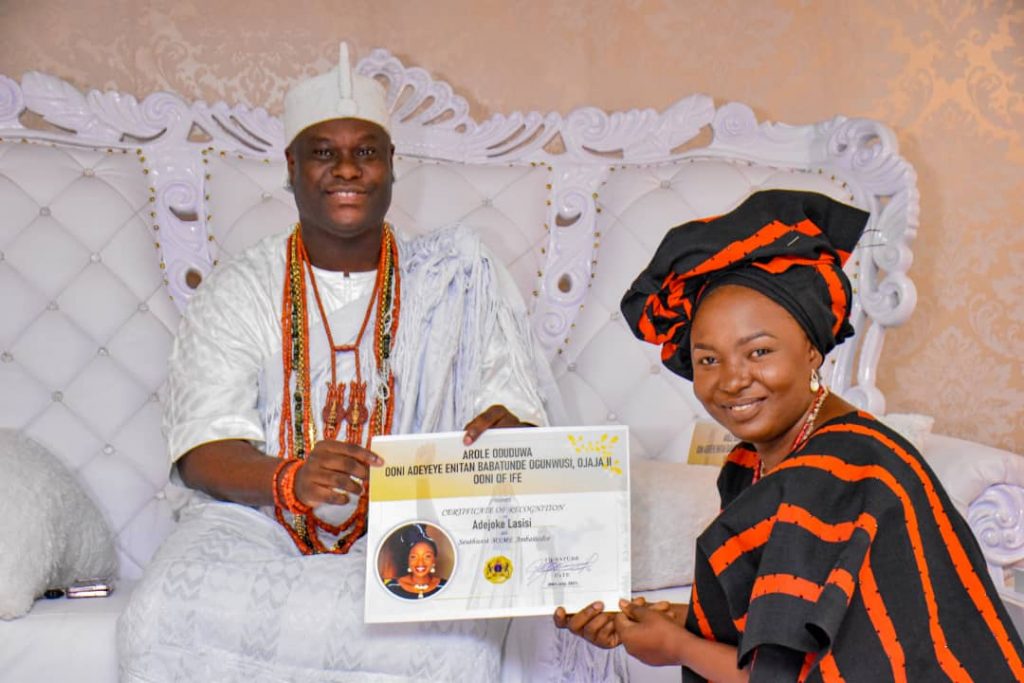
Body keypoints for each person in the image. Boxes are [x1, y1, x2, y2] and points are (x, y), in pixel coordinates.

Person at [117, 43, 554, 682]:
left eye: (366, 152)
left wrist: (506, 431)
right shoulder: (242, 287)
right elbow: (201, 448)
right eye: (324, 152)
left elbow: (511, 412)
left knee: (454, 635)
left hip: (415, 525)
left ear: (391, 166)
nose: (347, 169)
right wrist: (289, 479)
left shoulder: (457, 279)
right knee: (164, 609)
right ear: (291, 166)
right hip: (257, 523)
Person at [555, 189, 1024, 681]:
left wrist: (678, 647)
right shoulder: (755, 463)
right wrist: (675, 620)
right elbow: (796, 619)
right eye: (708, 359)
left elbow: (794, 676)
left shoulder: (835, 473)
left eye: (758, 352)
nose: (732, 380)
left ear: (812, 350)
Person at [383, 524, 448, 600]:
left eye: (427, 556)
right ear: (408, 560)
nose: (420, 563)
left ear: (434, 559)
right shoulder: (392, 587)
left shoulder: (445, 586)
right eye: (414, 557)